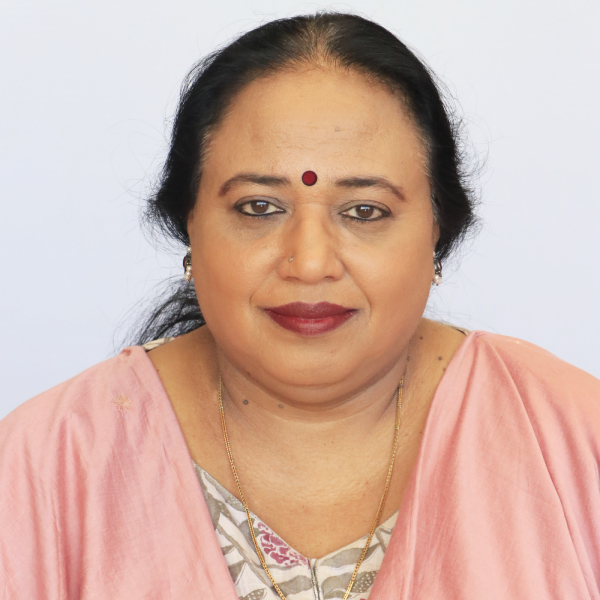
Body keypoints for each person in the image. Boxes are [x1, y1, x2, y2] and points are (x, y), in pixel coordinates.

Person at [1, 12, 599, 600]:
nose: (310, 263)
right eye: (259, 208)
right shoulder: (42, 467)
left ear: (438, 230)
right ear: (190, 223)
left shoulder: (573, 439)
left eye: (364, 211)